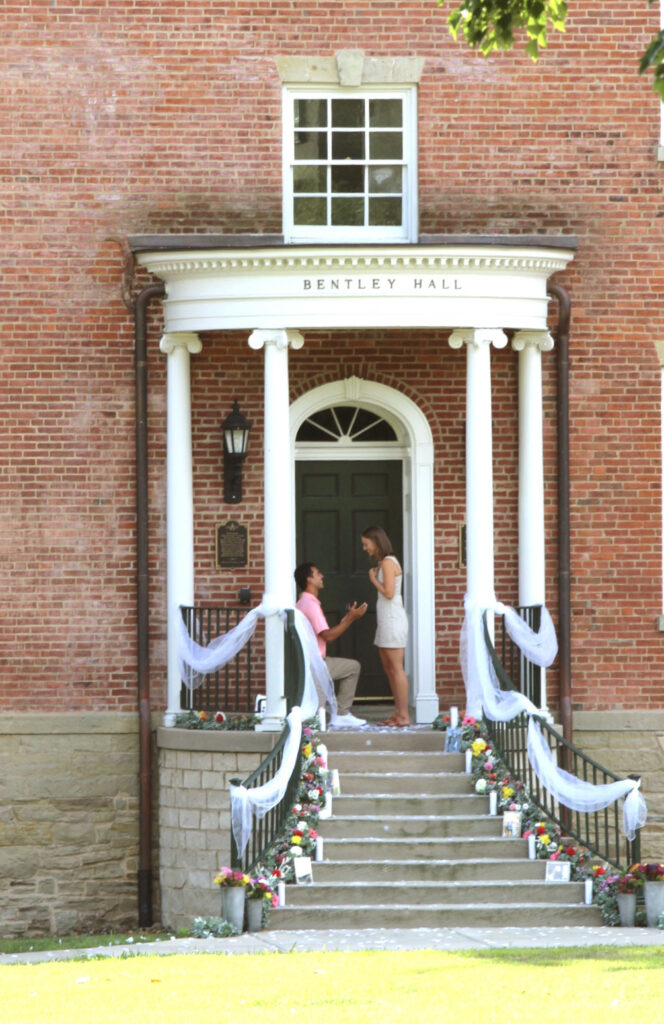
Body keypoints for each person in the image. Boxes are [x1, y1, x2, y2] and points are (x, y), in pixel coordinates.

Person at [294, 562, 368, 728]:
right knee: (313, 720)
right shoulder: (310, 604)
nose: (322, 576)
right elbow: (328, 636)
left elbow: (325, 632)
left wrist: (349, 616)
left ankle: (341, 714)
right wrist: (351, 619)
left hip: (313, 662)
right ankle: (341, 715)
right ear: (309, 579)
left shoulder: (304, 601)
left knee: (352, 667)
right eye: (318, 573)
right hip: (316, 665)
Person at [361, 525, 410, 727]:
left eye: (366, 544)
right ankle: (397, 714)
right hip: (385, 621)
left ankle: (404, 715)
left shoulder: (389, 562)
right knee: (389, 668)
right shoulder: (383, 563)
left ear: (376, 541)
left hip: (393, 620)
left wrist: (373, 579)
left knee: (396, 668)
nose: (365, 548)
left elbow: (389, 593)